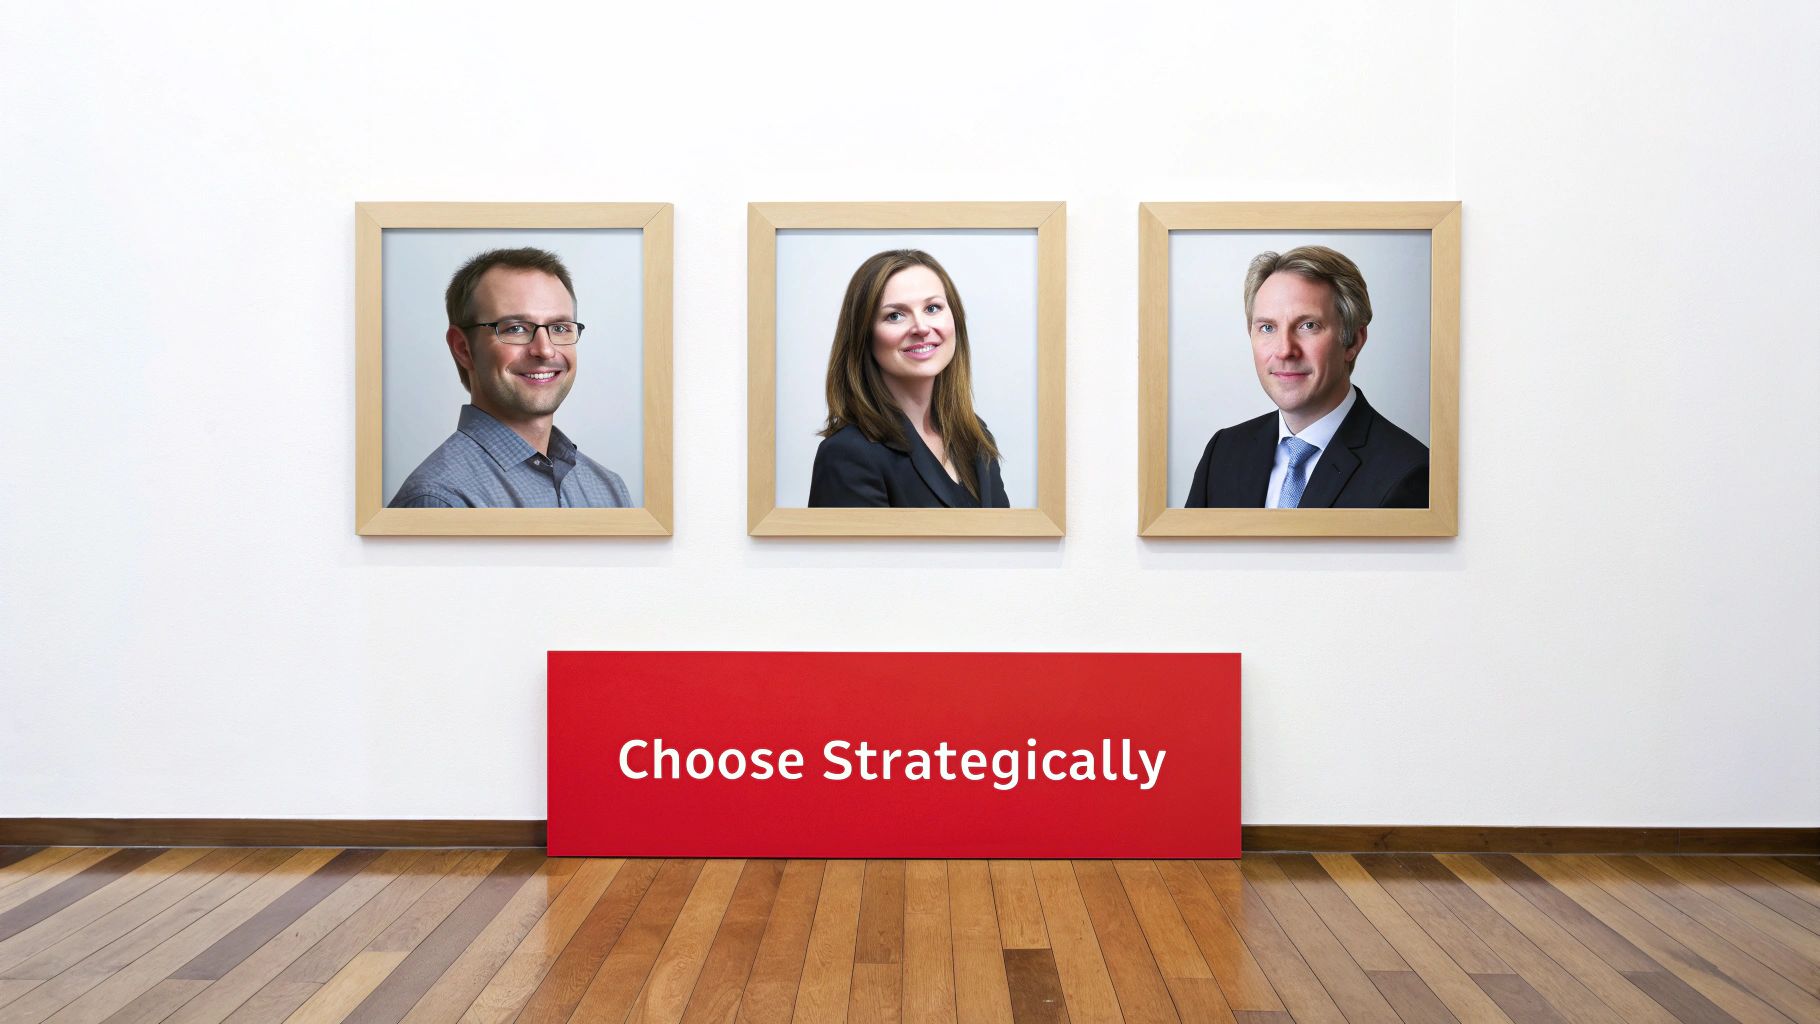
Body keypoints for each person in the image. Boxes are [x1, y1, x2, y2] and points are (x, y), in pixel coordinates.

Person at [1185, 245, 1428, 509]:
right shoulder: (1223, 453)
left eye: (1308, 326)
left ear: (1353, 341)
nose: (1285, 350)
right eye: (1267, 327)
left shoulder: (1409, 472)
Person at [389, 247, 631, 508]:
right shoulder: (440, 500)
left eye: (559, 328)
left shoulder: (609, 490)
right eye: (516, 328)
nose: (545, 349)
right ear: (463, 348)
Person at [808, 250, 1009, 508]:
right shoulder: (847, 454)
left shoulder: (974, 436)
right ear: (864, 336)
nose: (922, 328)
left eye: (932, 308)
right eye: (895, 315)